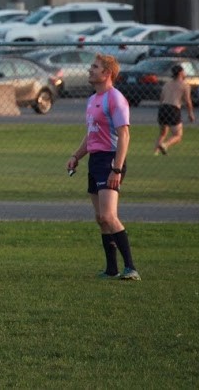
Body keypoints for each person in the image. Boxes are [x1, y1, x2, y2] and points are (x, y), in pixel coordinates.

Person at [66, 54, 139, 281]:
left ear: (107, 73)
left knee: (109, 215)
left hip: (110, 160)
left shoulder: (115, 98)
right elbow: (91, 135)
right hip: (95, 161)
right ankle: (111, 269)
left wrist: (116, 169)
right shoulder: (92, 99)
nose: (90, 70)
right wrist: (76, 156)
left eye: (94, 67)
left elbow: (124, 135)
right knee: (100, 217)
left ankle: (131, 268)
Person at [154, 63, 194, 156]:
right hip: (173, 109)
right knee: (178, 135)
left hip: (163, 108)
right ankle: (165, 145)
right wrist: (190, 114)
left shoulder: (167, 84)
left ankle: (155, 153)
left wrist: (161, 110)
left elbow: (161, 98)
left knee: (162, 133)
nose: (185, 73)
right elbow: (188, 101)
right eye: (184, 71)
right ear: (180, 73)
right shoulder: (185, 85)